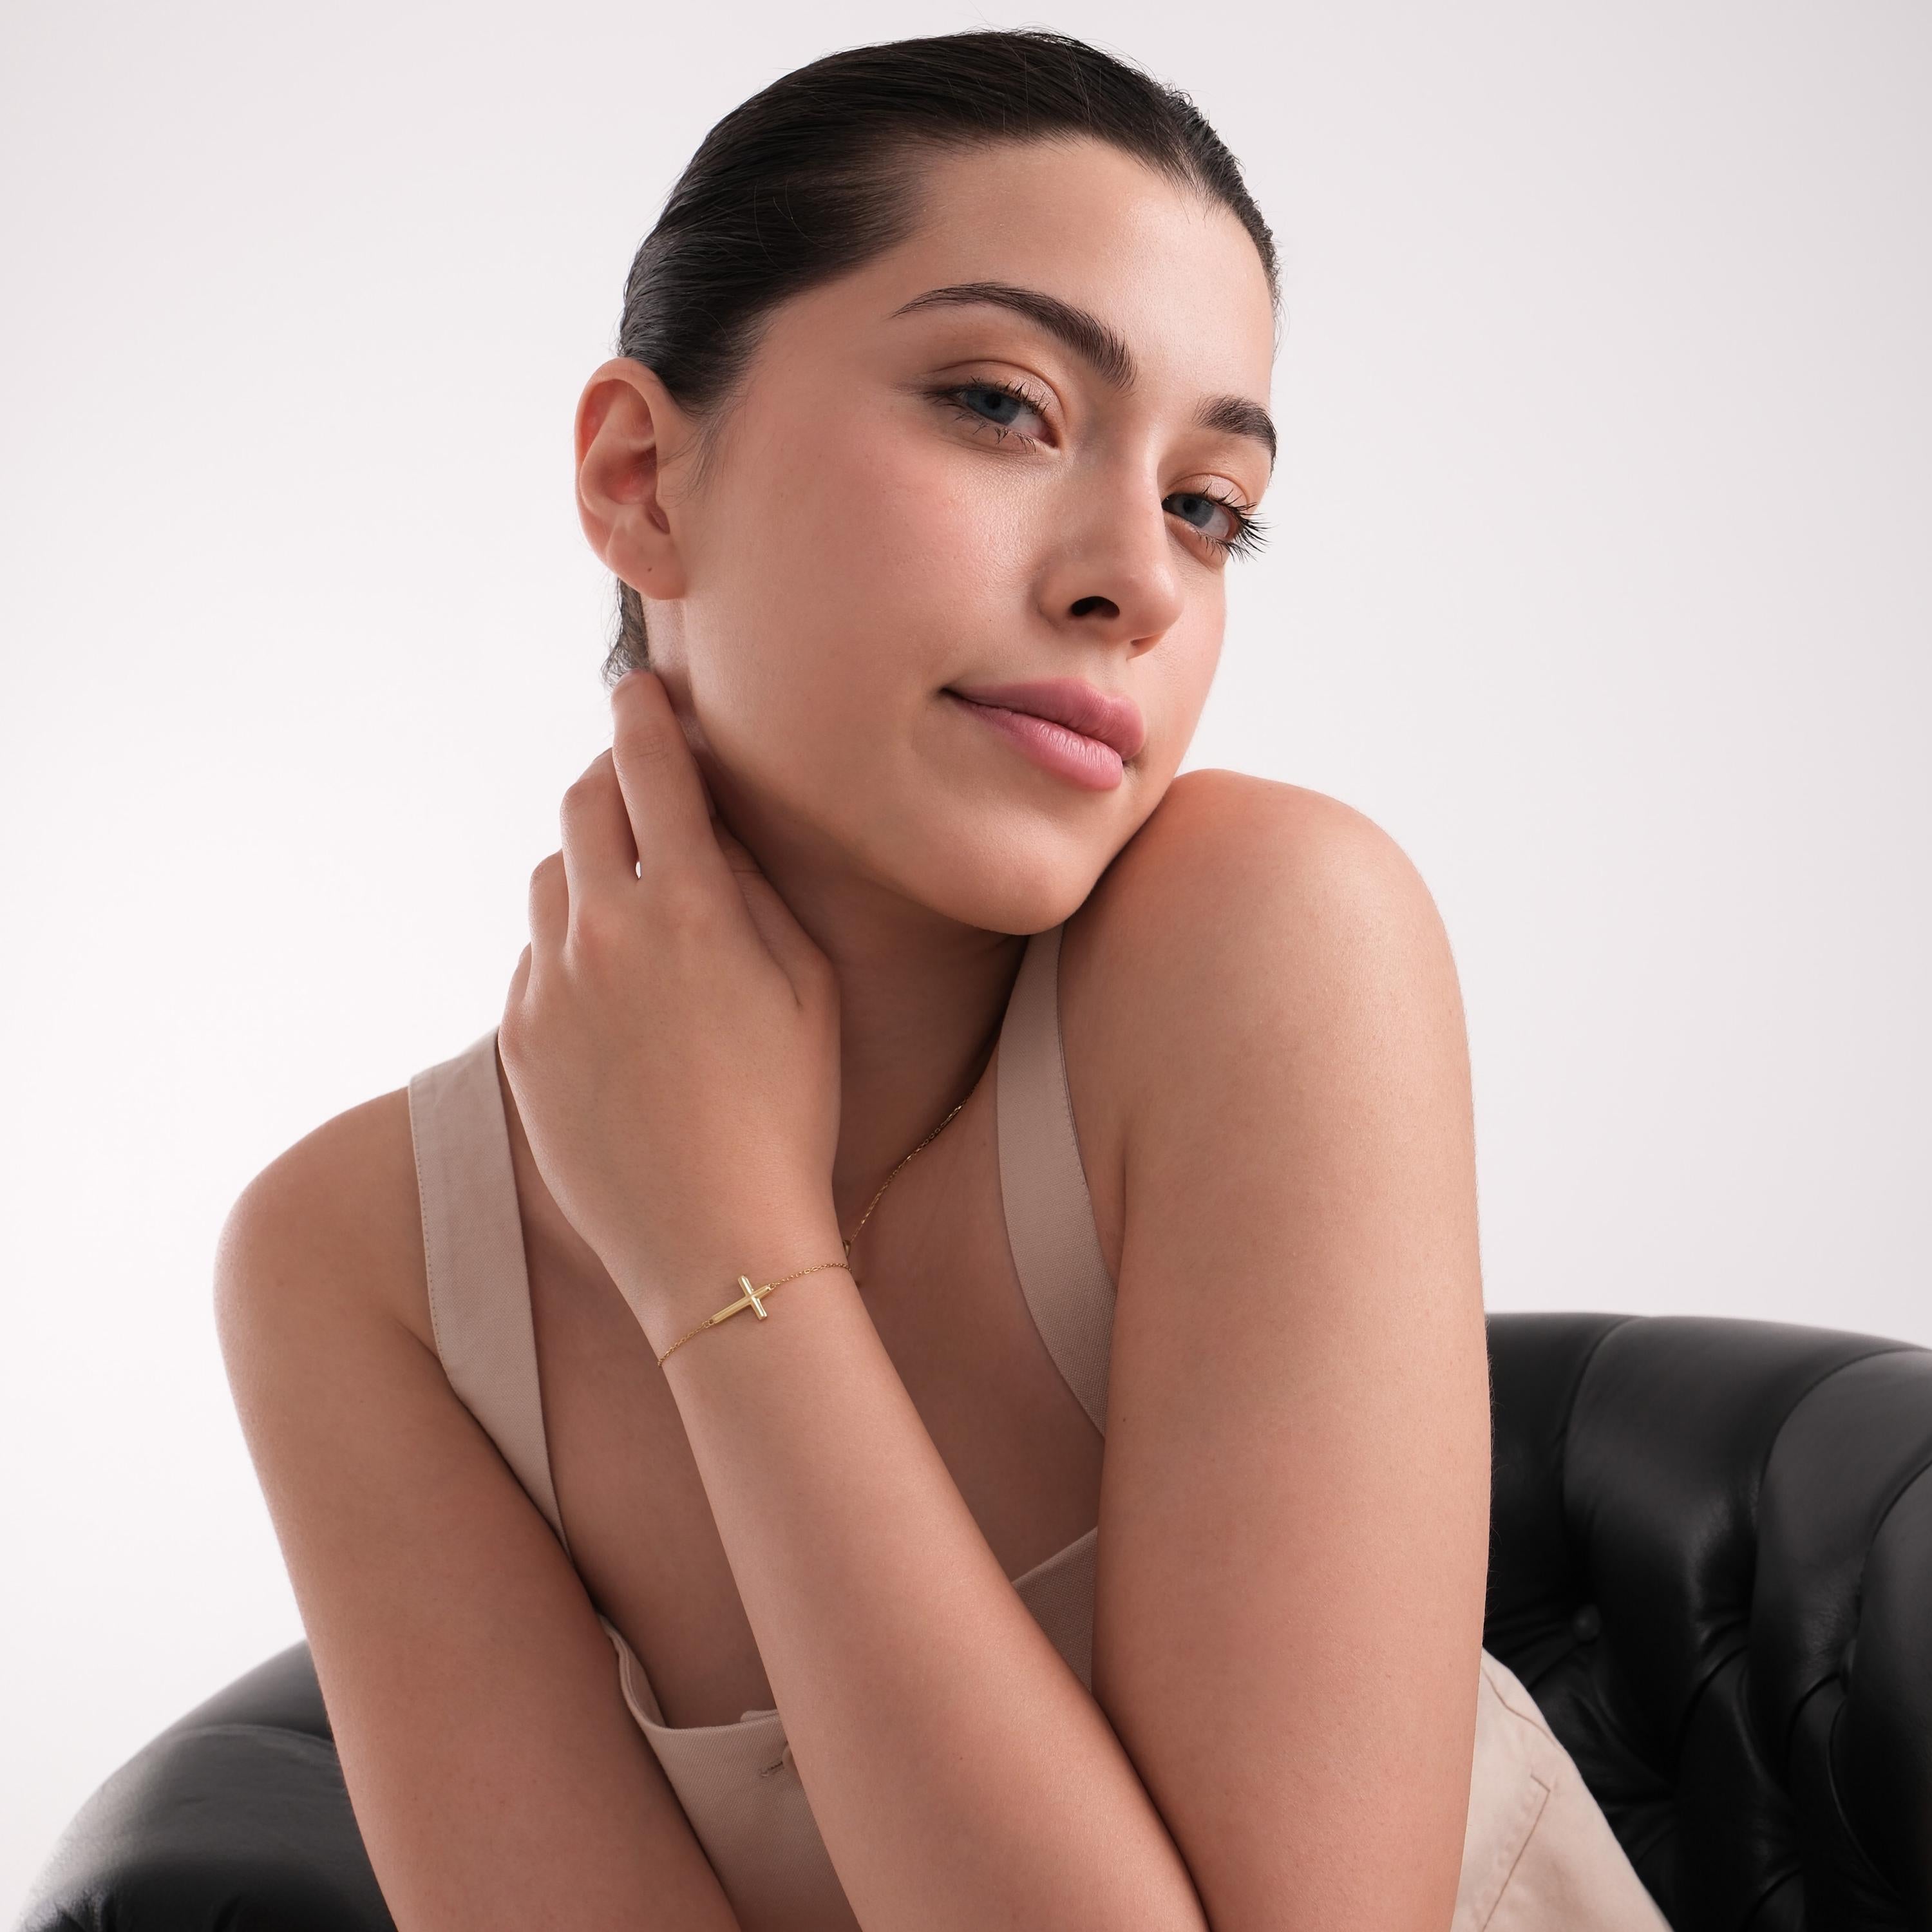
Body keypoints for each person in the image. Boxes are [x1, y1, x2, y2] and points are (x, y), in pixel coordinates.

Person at [215, 28, 1667, 1932]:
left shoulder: (1274, 944)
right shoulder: (359, 1270)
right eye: (1001, 404)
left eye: (1209, 506)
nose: (1135, 579)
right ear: (644, 476)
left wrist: (722, 1256)